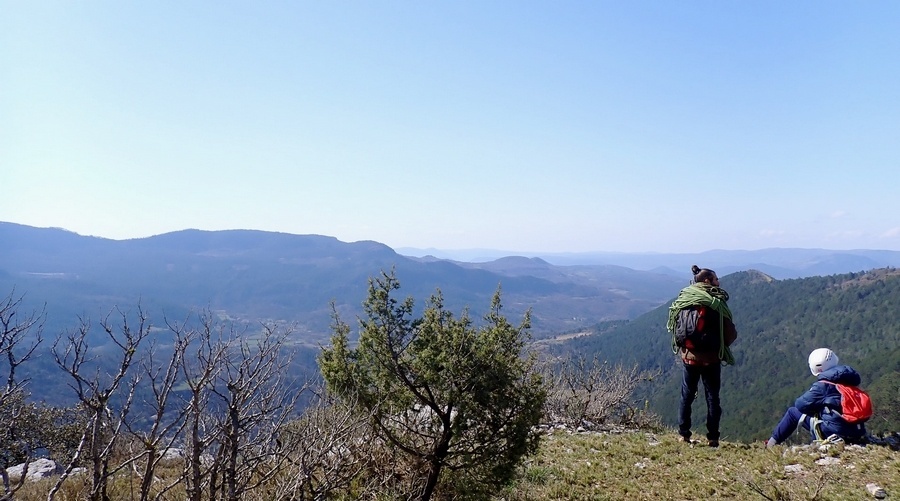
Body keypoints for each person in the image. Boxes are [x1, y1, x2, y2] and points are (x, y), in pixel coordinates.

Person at [666, 265, 738, 448]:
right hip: (711, 358)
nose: (718, 282)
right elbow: (730, 334)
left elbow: (676, 327)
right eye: (715, 279)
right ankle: (713, 438)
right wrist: (721, 347)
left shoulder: (685, 298)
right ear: (707, 281)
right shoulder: (716, 302)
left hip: (689, 356)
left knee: (686, 395)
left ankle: (683, 434)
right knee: (712, 397)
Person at [766, 348, 868, 447]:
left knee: (793, 412)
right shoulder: (849, 381)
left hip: (835, 433)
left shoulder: (823, 386)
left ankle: (770, 445)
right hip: (857, 431)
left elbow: (800, 405)